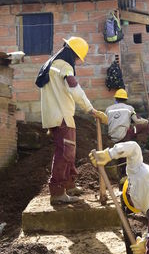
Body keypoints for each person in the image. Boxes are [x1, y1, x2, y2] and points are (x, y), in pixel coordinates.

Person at [39, 36, 107, 204]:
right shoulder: (64, 67)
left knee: (68, 151)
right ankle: (57, 192)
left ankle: (69, 185)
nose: (76, 61)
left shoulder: (49, 65)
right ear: (73, 54)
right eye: (77, 57)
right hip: (62, 116)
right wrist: (90, 109)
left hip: (54, 115)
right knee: (64, 153)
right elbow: (74, 88)